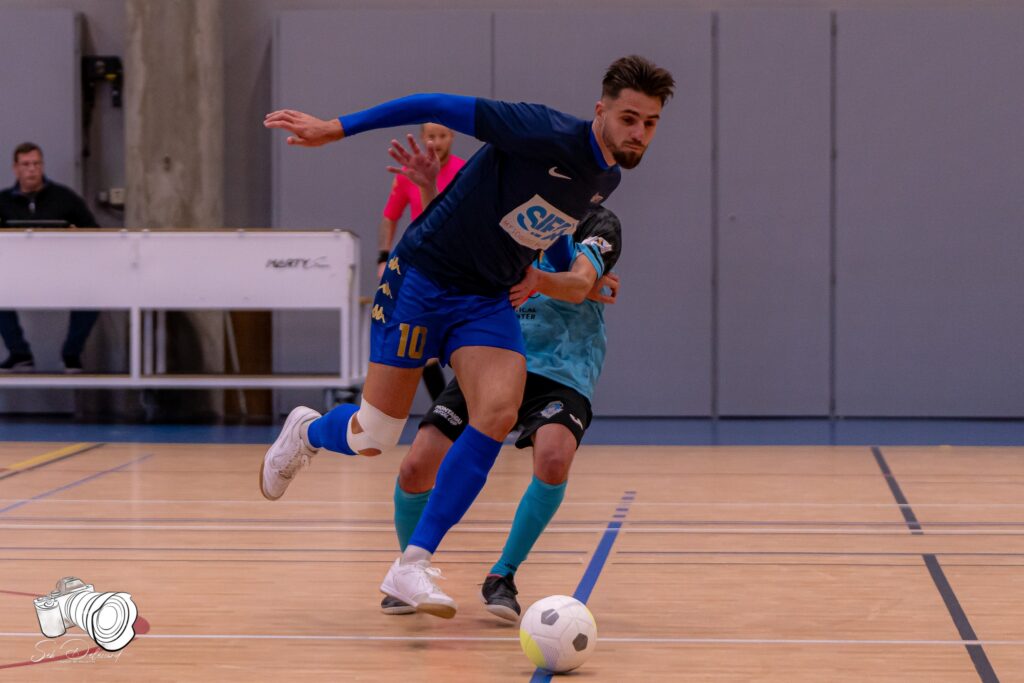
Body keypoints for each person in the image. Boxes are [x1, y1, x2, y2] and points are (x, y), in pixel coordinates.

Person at [260, 55, 673, 619]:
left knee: (499, 410)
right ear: (600, 110)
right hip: (425, 277)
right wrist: (335, 127)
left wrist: (564, 269)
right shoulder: (540, 129)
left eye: (649, 123)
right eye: (629, 118)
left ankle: (411, 565)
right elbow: (432, 103)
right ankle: (309, 432)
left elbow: (545, 221)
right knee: (374, 434)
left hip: (486, 295)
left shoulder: (606, 176)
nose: (639, 133)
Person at [379, 137, 622, 620]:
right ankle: (412, 570)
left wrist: (539, 281)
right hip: (492, 355)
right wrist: (428, 191)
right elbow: (449, 249)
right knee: (414, 466)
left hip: (560, 365)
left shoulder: (600, 223)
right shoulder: (510, 214)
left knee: (553, 458)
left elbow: (578, 284)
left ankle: (503, 574)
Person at [378, 125, 466, 400]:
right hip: (423, 266)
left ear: (452, 136)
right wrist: (384, 256)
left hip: (461, 266)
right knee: (421, 338)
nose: (436, 142)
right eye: (431, 136)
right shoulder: (408, 175)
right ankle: (444, 409)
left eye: (442, 135)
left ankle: (473, 405)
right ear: (421, 138)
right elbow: (391, 215)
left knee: (466, 342)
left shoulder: (465, 171)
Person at [0, 142, 100, 373]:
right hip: (16, 273)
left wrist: (78, 234)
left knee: (94, 295)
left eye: (36, 164)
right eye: (26, 164)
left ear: (42, 166)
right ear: (15, 168)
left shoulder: (65, 198)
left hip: (62, 271)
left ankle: (71, 354)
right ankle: (20, 353)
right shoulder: (3, 201)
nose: (32, 169)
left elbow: (95, 231)